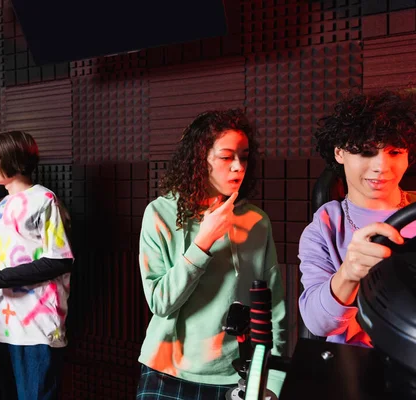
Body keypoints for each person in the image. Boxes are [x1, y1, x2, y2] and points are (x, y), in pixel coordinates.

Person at [136, 109, 286, 399]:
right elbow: (160, 302)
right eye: (227, 156)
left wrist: (273, 379)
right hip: (167, 370)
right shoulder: (160, 213)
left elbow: (273, 306)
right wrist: (203, 242)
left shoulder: (257, 221)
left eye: (244, 156)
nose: (238, 167)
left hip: (238, 376)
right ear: (200, 159)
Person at [299, 89, 416, 347]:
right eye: (366, 152)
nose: (381, 167)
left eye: (395, 152)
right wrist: (349, 273)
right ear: (340, 153)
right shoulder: (325, 227)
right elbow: (318, 323)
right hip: (353, 369)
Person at [0, 130, 74, 400]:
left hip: (37, 330)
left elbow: (59, 260)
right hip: (3, 328)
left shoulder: (44, 200)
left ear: (13, 159)